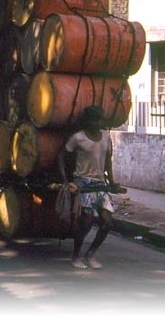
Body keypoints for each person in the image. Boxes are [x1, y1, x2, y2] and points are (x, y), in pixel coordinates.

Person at [57, 105, 116, 269]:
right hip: (83, 183)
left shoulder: (106, 137)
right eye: (96, 120)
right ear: (89, 121)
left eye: (100, 120)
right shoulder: (78, 138)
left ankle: (90, 255)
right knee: (86, 224)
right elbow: (62, 156)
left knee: (107, 224)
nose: (99, 123)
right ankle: (75, 256)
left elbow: (108, 160)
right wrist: (65, 179)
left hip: (99, 184)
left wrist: (112, 181)